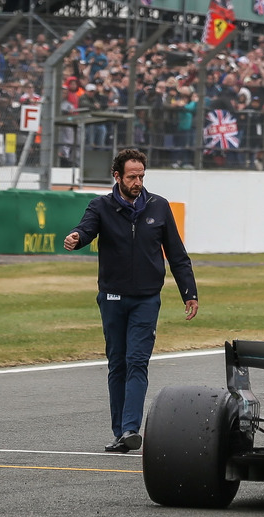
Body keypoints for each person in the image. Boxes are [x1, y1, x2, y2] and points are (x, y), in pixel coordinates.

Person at [63, 148, 199, 453]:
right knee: (118, 364)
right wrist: (75, 238)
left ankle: (129, 429)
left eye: (141, 176)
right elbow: (85, 230)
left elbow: (177, 255)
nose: (137, 182)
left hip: (147, 299)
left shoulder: (159, 206)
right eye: (131, 176)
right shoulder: (100, 206)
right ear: (117, 176)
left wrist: (189, 293)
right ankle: (119, 432)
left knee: (137, 361)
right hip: (112, 298)